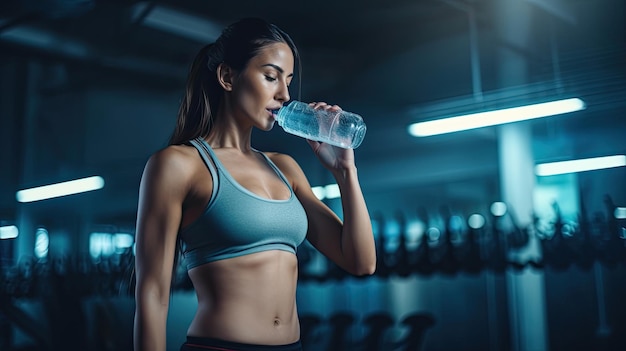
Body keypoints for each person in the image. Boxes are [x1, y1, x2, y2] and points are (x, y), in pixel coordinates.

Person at [133, 17, 376, 351]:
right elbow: (152, 293)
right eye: (270, 76)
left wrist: (345, 172)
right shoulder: (178, 165)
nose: (285, 94)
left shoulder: (284, 168)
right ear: (228, 77)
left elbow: (361, 263)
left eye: (288, 81)